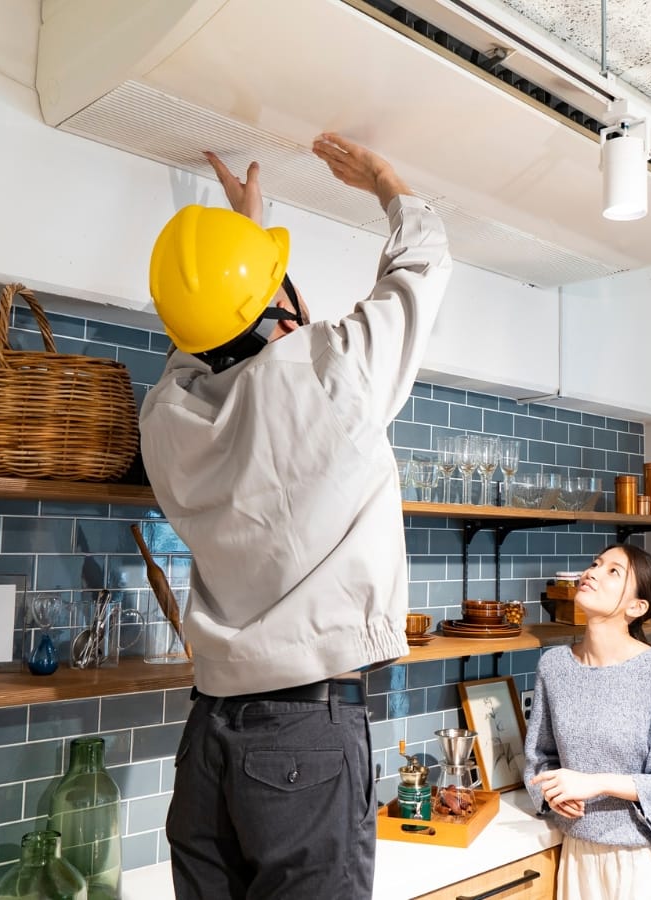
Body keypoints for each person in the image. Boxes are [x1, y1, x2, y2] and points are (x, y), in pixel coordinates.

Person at [139, 133, 452, 900]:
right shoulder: (336, 372)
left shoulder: (166, 422)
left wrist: (238, 256)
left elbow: (213, 344)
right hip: (304, 739)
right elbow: (422, 265)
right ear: (283, 302)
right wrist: (384, 178)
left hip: (206, 739)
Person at [524, 544, 651, 900]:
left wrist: (597, 784)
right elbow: (540, 759)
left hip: (649, 860)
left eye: (613, 571)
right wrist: (552, 795)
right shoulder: (554, 666)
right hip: (581, 856)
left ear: (636, 608)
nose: (592, 572)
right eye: (595, 564)